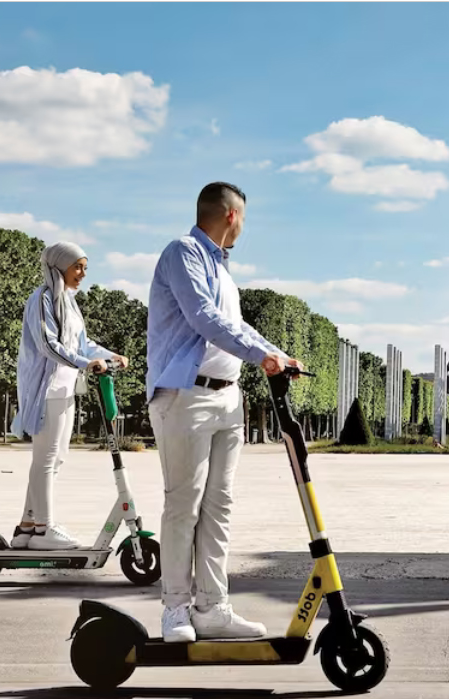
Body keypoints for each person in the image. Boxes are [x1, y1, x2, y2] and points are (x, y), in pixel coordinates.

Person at [147, 182, 304, 643]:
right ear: (233, 215)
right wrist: (262, 357)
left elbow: (235, 326)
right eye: (245, 220)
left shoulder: (223, 271)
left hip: (226, 398)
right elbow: (203, 318)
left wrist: (279, 354)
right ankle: (175, 609)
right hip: (186, 396)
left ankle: (212, 607)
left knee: (219, 507)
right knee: (183, 505)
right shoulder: (183, 253)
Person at [10, 242, 129, 550]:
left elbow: (82, 345)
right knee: (46, 459)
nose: (83, 273)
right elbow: (48, 345)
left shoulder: (68, 302)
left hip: (65, 388)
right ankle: (45, 529)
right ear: (59, 266)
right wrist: (84, 362)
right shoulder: (42, 299)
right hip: (45, 390)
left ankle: (27, 527)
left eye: (85, 267)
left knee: (54, 458)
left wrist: (109, 355)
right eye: (78, 267)